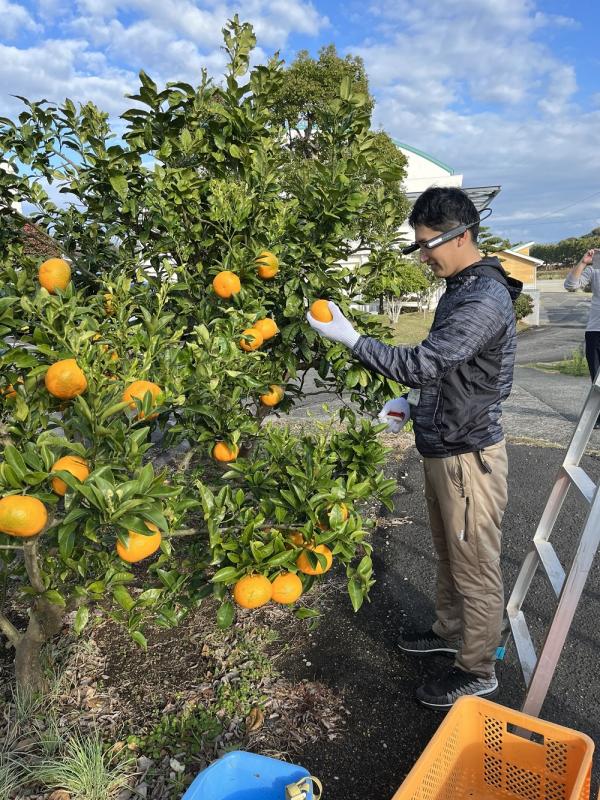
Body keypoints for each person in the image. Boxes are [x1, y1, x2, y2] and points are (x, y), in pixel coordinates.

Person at [307, 186, 522, 709]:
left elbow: (426, 361)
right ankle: (452, 631)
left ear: (463, 234)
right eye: (419, 245)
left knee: (474, 562)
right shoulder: (462, 287)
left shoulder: (482, 297)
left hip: (467, 455)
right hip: (443, 444)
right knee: (452, 554)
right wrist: (412, 401)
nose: (423, 256)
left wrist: (353, 340)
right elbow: (452, 370)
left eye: (428, 245)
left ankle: (477, 668)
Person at [564, 248, 600, 425]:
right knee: (597, 378)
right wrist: (584, 262)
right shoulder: (595, 268)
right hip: (595, 330)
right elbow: (571, 285)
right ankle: (598, 416)